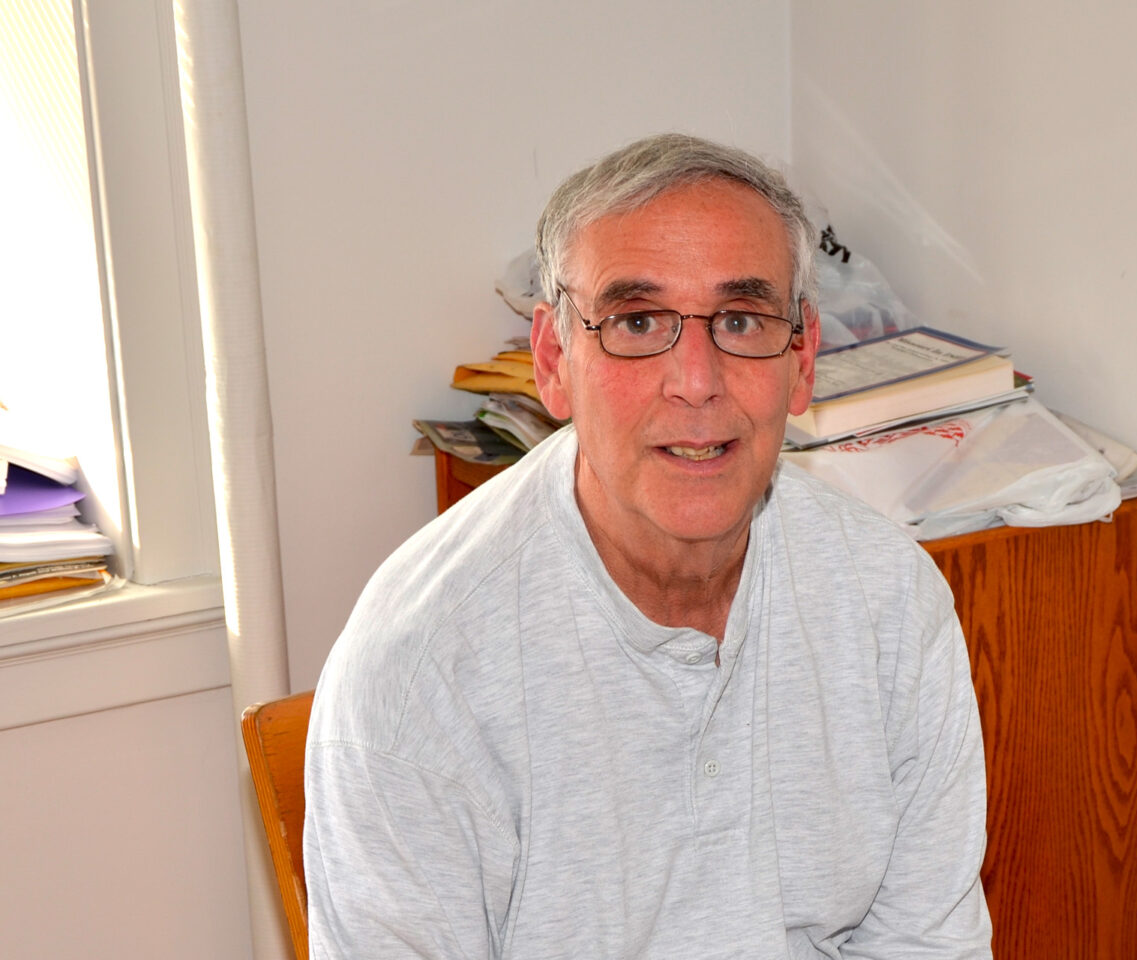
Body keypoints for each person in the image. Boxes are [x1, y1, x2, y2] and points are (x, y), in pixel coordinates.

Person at [303, 133, 992, 959]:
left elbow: (927, 945)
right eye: (636, 322)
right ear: (554, 360)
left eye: (741, 320)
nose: (696, 381)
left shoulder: (889, 602)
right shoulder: (418, 673)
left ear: (802, 358)